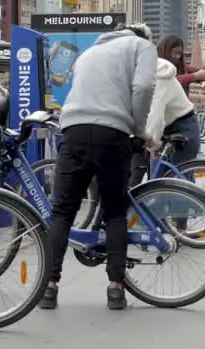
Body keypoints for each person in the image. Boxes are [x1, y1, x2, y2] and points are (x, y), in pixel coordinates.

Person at [41, 22, 157, 311]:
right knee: (115, 211)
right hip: (112, 132)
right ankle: (116, 289)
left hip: (74, 130)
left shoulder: (90, 52)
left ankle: (48, 287)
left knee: (63, 212)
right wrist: (139, 129)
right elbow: (143, 87)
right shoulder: (142, 46)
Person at [129, 35, 205, 184]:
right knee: (158, 181)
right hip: (163, 128)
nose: (177, 57)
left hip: (180, 126)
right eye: (174, 53)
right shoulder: (155, 71)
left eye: (179, 53)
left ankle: (192, 206)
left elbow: (155, 115)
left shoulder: (159, 77)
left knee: (179, 181)